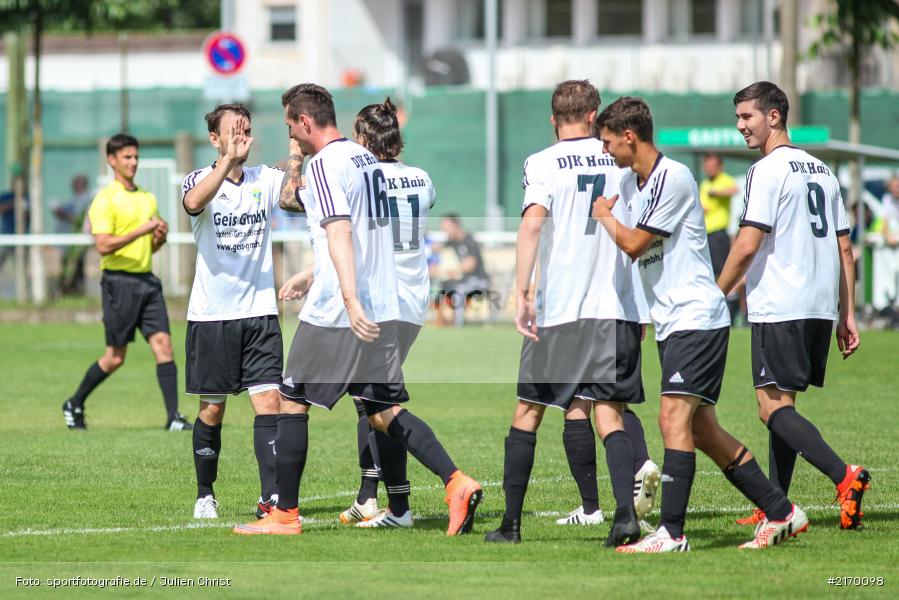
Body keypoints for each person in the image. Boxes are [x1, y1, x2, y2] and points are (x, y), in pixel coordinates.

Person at [234, 83, 481, 536]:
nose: (291, 133)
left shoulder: (326, 164)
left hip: (339, 308)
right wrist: (316, 272)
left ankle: (284, 515)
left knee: (292, 401)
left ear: (305, 122)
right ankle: (455, 481)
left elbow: (342, 230)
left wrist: (345, 297)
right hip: (385, 302)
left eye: (291, 125)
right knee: (381, 408)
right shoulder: (365, 160)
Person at [591, 96, 806, 552]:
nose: (607, 151)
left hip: (696, 316)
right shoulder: (631, 184)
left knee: (672, 418)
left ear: (630, 137)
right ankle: (782, 511)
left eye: (609, 143)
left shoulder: (674, 178)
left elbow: (633, 244)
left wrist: (605, 216)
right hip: (672, 321)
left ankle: (672, 531)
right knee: (704, 430)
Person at [484, 81, 659, 546]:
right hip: (616, 307)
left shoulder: (542, 162)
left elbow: (532, 224)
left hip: (562, 311)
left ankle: (511, 525)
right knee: (608, 414)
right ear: (593, 115)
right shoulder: (622, 158)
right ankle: (625, 519)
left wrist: (522, 292)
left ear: (552, 118)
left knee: (528, 412)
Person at [279, 97, 438, 529]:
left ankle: (373, 496)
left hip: (362, 297)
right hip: (405, 298)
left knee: (360, 403)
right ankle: (389, 500)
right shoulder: (419, 180)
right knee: (374, 402)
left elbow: (296, 202)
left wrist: (297, 155)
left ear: (365, 136)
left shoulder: (345, 167)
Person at [718, 81, 869, 530]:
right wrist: (847, 313)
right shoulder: (823, 171)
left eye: (747, 117)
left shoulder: (766, 170)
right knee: (782, 405)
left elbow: (747, 244)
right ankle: (775, 504)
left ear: (774, 116)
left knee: (770, 407)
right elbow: (846, 250)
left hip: (780, 302)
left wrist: (714, 294)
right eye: (738, 118)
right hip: (818, 305)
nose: (740, 126)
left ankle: (845, 476)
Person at [181, 104, 302, 520]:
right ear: (214, 139)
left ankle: (271, 499)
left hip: (260, 314)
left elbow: (292, 198)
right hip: (212, 317)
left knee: (270, 402)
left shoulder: (263, 179)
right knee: (212, 409)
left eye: (247, 130)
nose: (242, 138)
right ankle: (204, 493)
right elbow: (193, 203)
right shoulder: (199, 179)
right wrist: (228, 161)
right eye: (234, 132)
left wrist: (297, 155)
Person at [62, 134, 190, 432]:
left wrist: (158, 238)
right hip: (118, 283)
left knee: (164, 345)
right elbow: (103, 246)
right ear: (112, 160)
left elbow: (151, 245)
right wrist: (143, 229)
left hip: (147, 281)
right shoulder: (105, 199)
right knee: (115, 357)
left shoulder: (147, 198)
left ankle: (173, 417)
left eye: (135, 157)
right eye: (127, 157)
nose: (133, 162)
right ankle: (74, 402)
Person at [699, 153, 740, 321]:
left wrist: (717, 192)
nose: (709, 168)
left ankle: (732, 307)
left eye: (712, 165)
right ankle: (714, 309)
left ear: (719, 166)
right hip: (705, 235)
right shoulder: (704, 183)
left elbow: (734, 189)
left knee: (723, 272)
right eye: (707, 166)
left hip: (719, 235)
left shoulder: (724, 180)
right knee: (708, 273)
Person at [435, 214, 490, 326]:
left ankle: (458, 324)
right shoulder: (452, 241)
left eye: (447, 228)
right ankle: (440, 321)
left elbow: (470, 266)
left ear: (456, 226)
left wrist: (452, 271)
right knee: (440, 286)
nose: (445, 231)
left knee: (458, 289)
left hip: (479, 280)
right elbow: (438, 248)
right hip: (463, 280)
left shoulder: (470, 241)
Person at [54, 175, 93, 295]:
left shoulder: (87, 199)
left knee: (77, 266)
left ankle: (77, 292)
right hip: (69, 241)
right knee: (68, 266)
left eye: (76, 183)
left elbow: (77, 219)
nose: (73, 185)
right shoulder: (74, 198)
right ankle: (68, 292)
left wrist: (62, 213)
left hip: (78, 241)